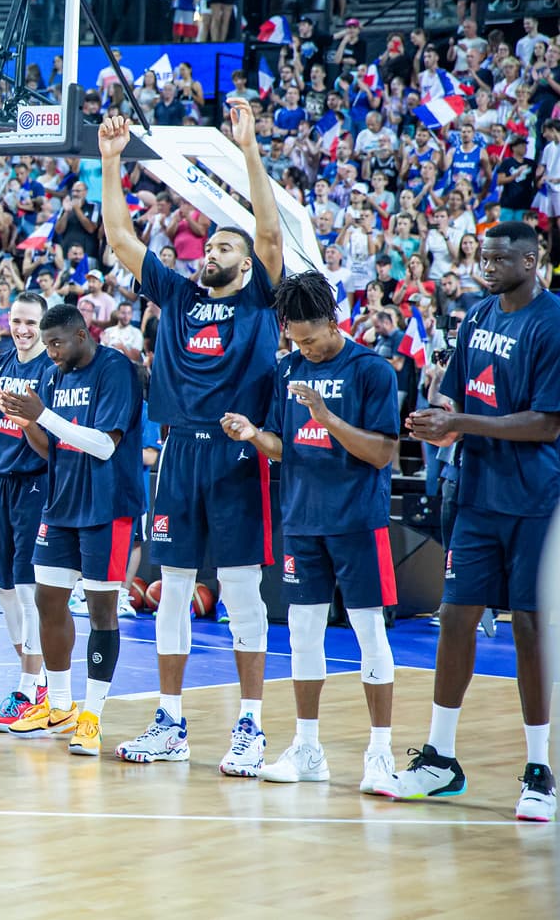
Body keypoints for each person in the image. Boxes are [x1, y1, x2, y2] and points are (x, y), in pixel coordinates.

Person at [101, 106, 287, 776]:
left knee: (240, 591)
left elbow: (270, 230)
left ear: (248, 263)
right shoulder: (178, 295)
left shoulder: (259, 299)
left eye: (225, 248)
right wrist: (112, 160)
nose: (212, 252)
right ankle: (170, 721)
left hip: (237, 453)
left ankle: (251, 726)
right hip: (179, 450)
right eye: (209, 246)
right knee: (171, 589)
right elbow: (121, 238)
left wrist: (249, 150)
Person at [391, 221, 560, 821]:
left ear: (531, 260)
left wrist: (459, 424)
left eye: (498, 259)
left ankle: (539, 770)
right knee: (456, 617)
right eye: (482, 258)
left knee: (530, 628)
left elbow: (547, 422)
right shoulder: (479, 316)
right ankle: (440, 758)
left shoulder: (552, 322)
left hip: (536, 499)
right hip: (476, 495)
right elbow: (458, 398)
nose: (486, 267)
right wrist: (435, 417)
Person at [221, 272, 402, 793]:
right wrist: (255, 435)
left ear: (333, 322)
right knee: (302, 633)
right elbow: (285, 447)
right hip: (302, 520)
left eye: (311, 339)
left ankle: (380, 753)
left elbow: (382, 453)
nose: (304, 349)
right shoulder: (288, 370)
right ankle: (307, 749)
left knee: (369, 631)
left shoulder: (371, 370)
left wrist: (326, 416)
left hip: (357, 520)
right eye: (296, 340)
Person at [0, 305, 144, 757]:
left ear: (81, 336)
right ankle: (60, 705)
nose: (50, 352)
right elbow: (49, 447)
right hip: (61, 502)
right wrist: (26, 420)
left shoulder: (116, 370)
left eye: (56, 343)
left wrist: (43, 416)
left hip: (107, 505)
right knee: (47, 601)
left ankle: (92, 716)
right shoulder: (54, 377)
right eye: (46, 344)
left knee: (102, 611)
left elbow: (104, 446)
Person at [0, 294, 55, 731]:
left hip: (33, 482)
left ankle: (28, 687)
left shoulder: (50, 370)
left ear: (44, 325)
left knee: (26, 586)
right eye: (17, 320)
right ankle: (36, 681)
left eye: (31, 322)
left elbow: (49, 435)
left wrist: (2, 399)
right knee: (2, 587)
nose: (22, 329)